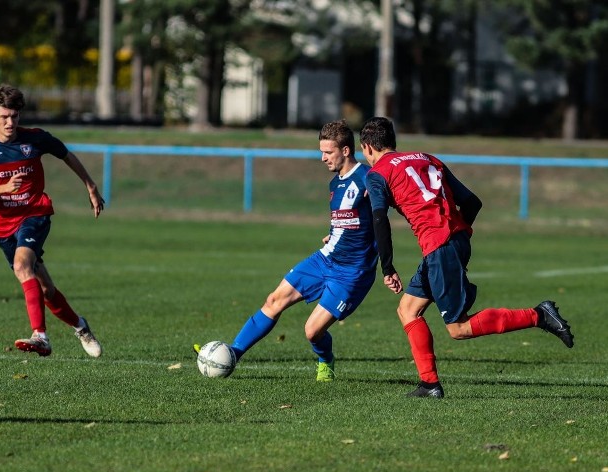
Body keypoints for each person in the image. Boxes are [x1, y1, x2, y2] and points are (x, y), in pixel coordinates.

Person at [359, 116, 574, 398]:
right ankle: (429, 384)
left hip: (440, 246)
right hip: (453, 240)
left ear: (367, 147)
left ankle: (538, 315)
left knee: (458, 328)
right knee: (408, 310)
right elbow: (472, 201)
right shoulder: (426, 158)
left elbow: (379, 219)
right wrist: (458, 236)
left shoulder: (377, 174)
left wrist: (387, 267)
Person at [202, 120, 378, 381]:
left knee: (312, 332)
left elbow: (382, 217)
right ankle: (232, 355)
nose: (322, 158)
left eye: (328, 152)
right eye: (321, 151)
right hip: (325, 258)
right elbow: (346, 221)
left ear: (346, 150)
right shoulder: (335, 184)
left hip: (352, 272)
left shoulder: (368, 178)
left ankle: (325, 359)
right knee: (274, 300)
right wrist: (334, 233)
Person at [0, 84, 104, 358]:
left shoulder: (35, 139)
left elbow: (66, 155)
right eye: (4, 116)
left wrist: (90, 186)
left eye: (15, 116)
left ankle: (41, 336)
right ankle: (80, 326)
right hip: (1, 226)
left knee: (21, 265)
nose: (10, 122)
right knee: (46, 289)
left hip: (34, 213)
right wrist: (3, 189)